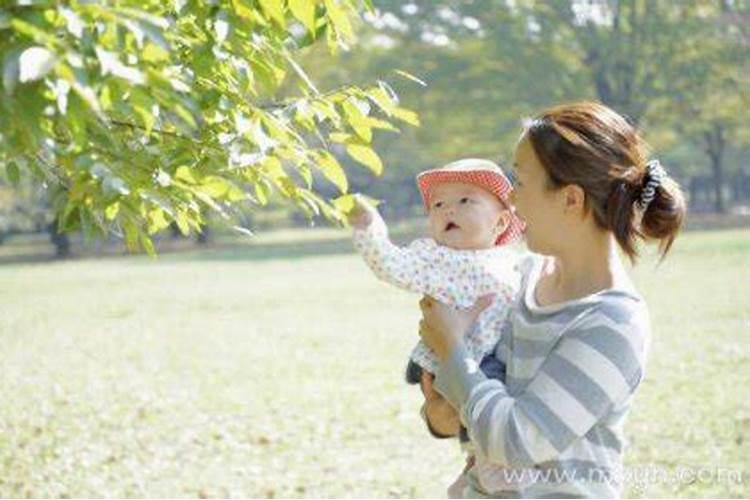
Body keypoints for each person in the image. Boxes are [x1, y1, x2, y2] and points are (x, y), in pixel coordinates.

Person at [418, 101, 686, 498]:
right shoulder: (518, 280)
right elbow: (449, 414)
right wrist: (442, 408)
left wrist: (453, 350)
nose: (509, 199)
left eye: (521, 181)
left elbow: (515, 441)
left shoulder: (613, 323)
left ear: (570, 200)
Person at [348, 159, 533, 492]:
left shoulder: (515, 261)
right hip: (456, 360)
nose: (449, 210)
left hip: (499, 356)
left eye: (465, 201)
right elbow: (390, 264)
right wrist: (368, 228)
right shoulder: (433, 258)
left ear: (501, 221)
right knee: (485, 414)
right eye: (438, 204)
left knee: (502, 409)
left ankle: (480, 467)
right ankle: (485, 466)